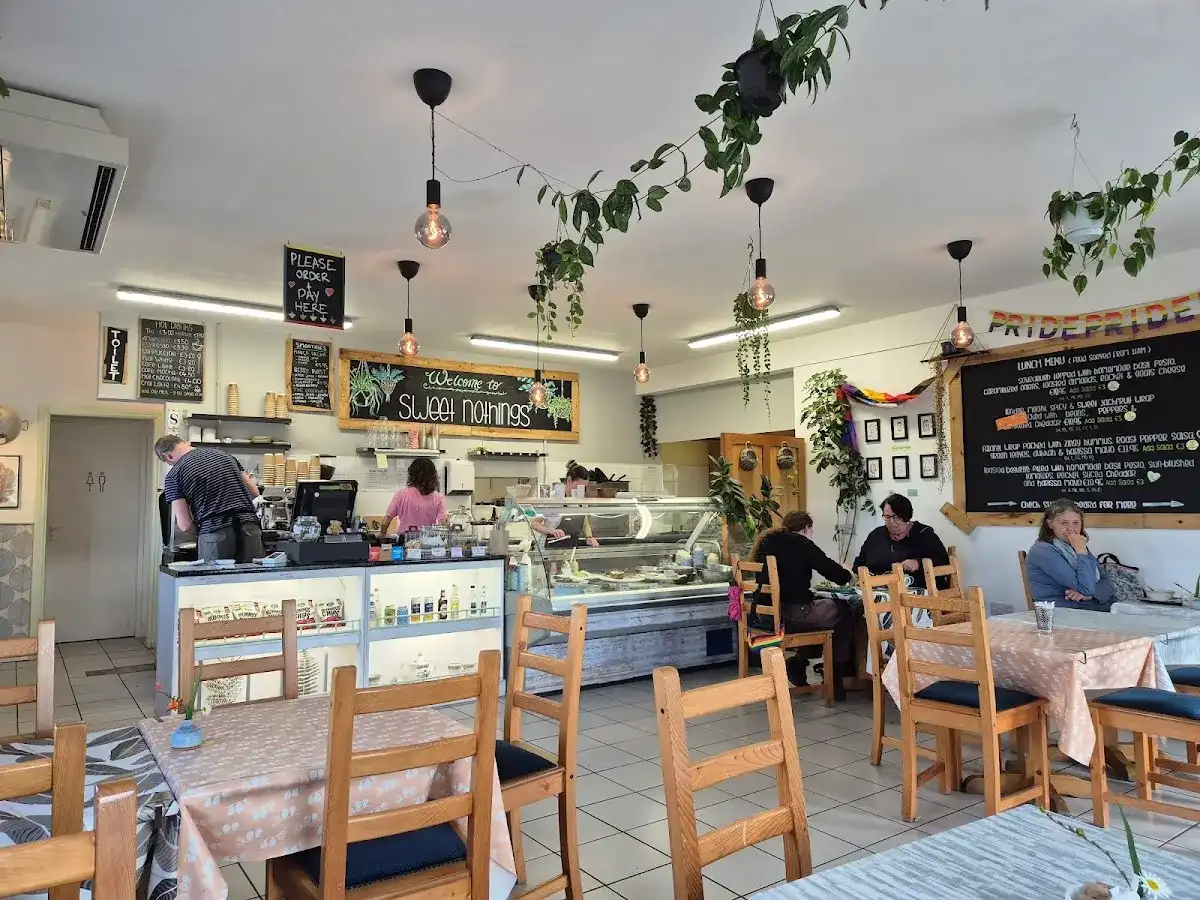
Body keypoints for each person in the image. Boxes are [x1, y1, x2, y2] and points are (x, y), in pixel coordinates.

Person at [750, 510, 855, 699]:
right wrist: (848, 572)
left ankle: (799, 664)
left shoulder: (767, 542)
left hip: (764, 615)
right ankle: (835, 678)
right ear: (807, 528)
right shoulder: (802, 544)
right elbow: (836, 575)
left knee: (822, 617)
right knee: (845, 611)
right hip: (791, 614)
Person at [155, 435, 264, 563]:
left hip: (214, 533)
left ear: (168, 456)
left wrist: (204, 532)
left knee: (215, 575)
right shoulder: (226, 456)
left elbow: (185, 525)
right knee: (253, 574)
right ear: (186, 443)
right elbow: (254, 492)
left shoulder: (174, 475)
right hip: (250, 528)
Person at [1025, 498, 1114, 611]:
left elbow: (1107, 583)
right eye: (1064, 523)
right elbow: (1086, 587)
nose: (1071, 529)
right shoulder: (1043, 550)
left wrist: (1090, 595)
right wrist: (1081, 551)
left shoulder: (1074, 545)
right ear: (1050, 524)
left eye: (1076, 523)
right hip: (1061, 611)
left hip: (1087, 606)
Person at [853, 494, 949, 590]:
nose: (891, 522)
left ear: (907, 516)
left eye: (897, 517)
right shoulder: (876, 535)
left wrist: (918, 563)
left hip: (919, 591)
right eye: (887, 517)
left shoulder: (924, 535)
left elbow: (943, 562)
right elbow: (859, 563)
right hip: (879, 590)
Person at [530, 463, 599, 547]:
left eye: (583, 488)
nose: (581, 491)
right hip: (551, 548)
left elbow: (585, 521)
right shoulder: (552, 498)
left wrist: (589, 537)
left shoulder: (581, 500)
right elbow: (535, 523)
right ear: (569, 480)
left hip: (572, 548)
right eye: (578, 487)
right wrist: (551, 530)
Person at [382, 457, 447, 536]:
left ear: (411, 474)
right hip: (427, 539)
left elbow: (387, 519)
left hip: (405, 539)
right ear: (433, 475)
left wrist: (382, 533)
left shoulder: (401, 494)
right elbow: (442, 524)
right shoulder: (438, 497)